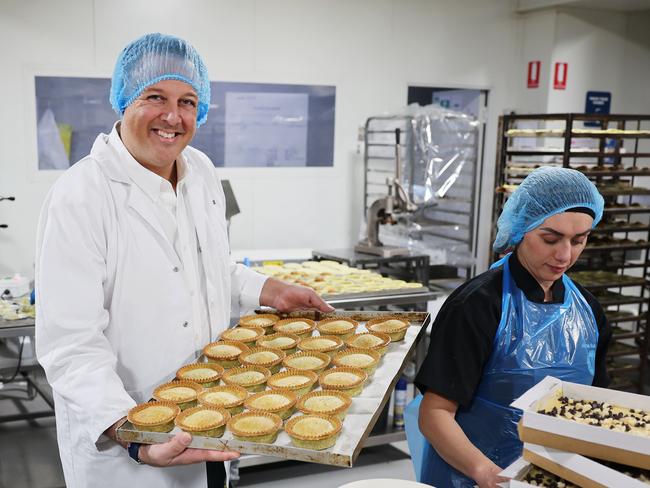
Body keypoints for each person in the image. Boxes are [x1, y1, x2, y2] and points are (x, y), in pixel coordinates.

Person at [35, 33, 333, 488]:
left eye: (188, 101)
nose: (173, 116)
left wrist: (269, 290)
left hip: (216, 414)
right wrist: (136, 435)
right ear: (123, 99)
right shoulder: (81, 196)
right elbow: (69, 345)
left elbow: (209, 270)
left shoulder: (202, 172)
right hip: (127, 447)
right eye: (156, 96)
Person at [409, 166, 611, 487]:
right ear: (520, 230)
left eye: (579, 240)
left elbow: (596, 405)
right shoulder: (477, 305)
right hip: (473, 477)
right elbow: (434, 415)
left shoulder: (588, 311)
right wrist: (489, 474)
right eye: (550, 238)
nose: (564, 255)